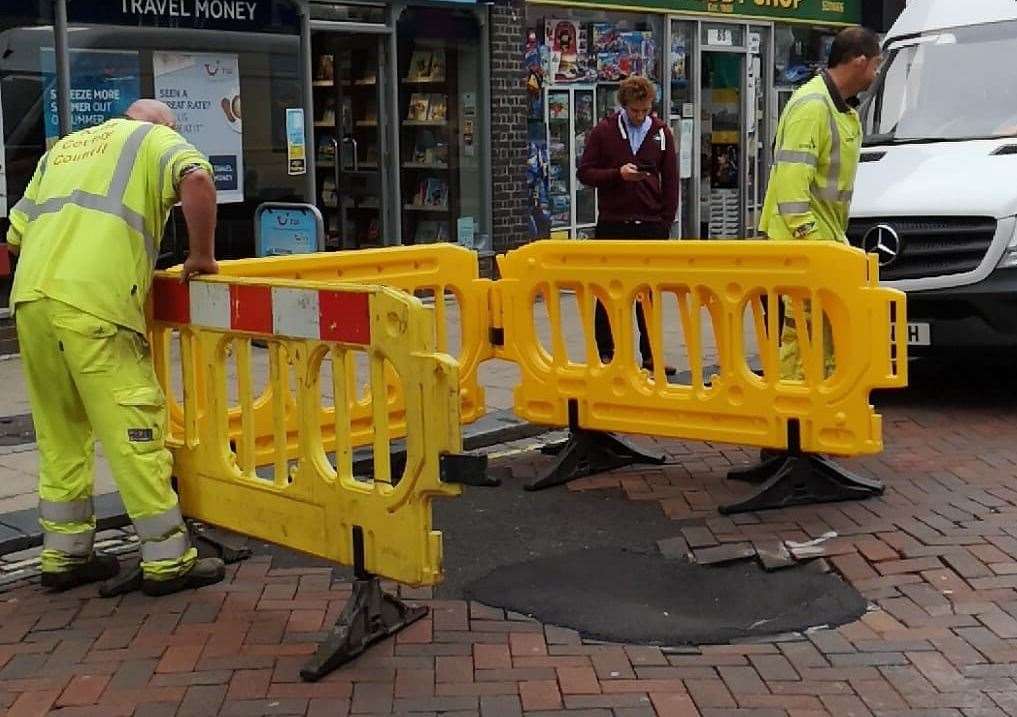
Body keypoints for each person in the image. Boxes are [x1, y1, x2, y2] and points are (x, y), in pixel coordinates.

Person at [5, 99, 224, 596]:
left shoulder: (62, 150)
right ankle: (168, 560)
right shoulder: (154, 138)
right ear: (164, 123)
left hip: (32, 299)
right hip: (95, 302)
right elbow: (198, 181)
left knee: (60, 433)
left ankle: (64, 556)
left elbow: (16, 237)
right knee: (135, 428)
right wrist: (201, 255)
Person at [759, 26, 881, 380]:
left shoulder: (835, 108)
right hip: (800, 245)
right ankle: (792, 419)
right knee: (800, 336)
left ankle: (815, 410)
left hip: (819, 241)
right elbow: (791, 181)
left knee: (820, 334)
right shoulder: (813, 106)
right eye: (875, 63)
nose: (876, 72)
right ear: (859, 61)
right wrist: (808, 238)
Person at [578, 76, 678, 375]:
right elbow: (585, 172)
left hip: (650, 224)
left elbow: (671, 179)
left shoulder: (661, 133)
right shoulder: (604, 131)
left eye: (645, 110)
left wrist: (666, 220)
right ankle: (607, 353)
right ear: (624, 106)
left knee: (647, 292)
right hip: (613, 221)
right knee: (607, 290)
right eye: (635, 111)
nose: (640, 116)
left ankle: (651, 355)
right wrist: (617, 175)